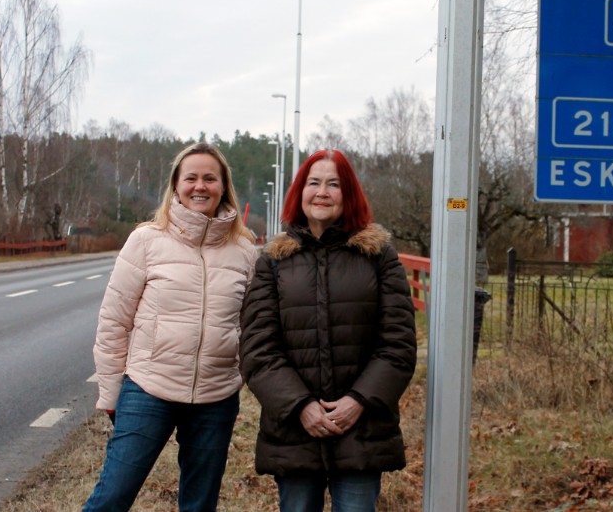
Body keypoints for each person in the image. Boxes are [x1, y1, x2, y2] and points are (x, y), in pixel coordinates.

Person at [239, 149, 417, 512]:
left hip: (362, 431)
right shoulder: (273, 262)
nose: (322, 191)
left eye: (333, 184)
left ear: (348, 193)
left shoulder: (378, 256)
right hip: (293, 431)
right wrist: (301, 406)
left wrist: (358, 402)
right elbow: (258, 349)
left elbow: (397, 344)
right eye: (313, 183)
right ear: (299, 193)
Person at [83, 142, 257, 512]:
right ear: (176, 186)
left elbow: (252, 325)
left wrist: (239, 376)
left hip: (216, 397)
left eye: (210, 178)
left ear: (223, 186)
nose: (200, 186)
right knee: (111, 498)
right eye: (190, 177)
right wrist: (112, 394)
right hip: (149, 391)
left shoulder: (245, 249)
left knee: (199, 506)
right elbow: (114, 322)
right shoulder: (146, 240)